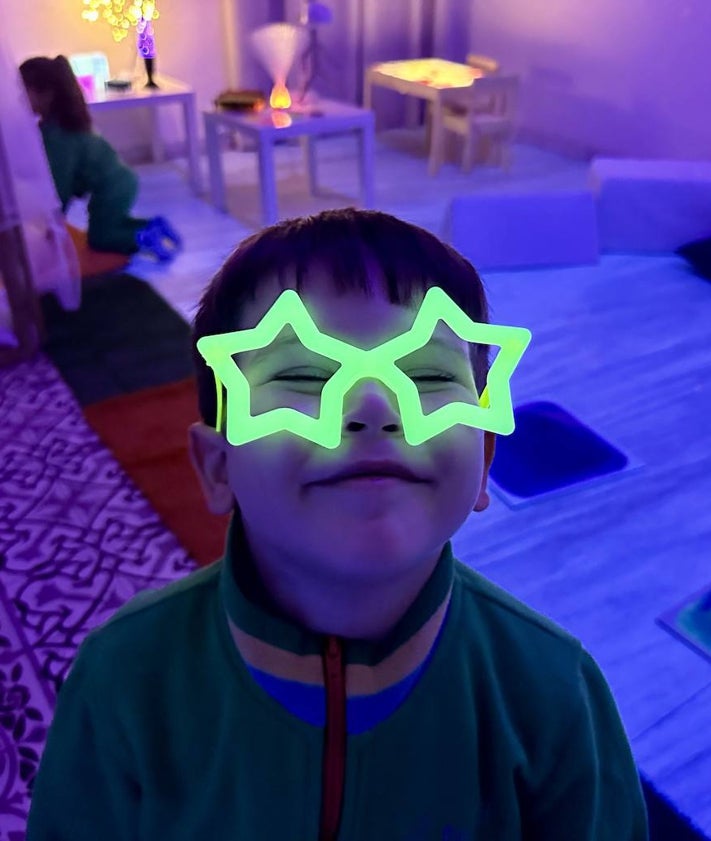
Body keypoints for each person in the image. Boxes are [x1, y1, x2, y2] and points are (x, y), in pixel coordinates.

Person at [25, 208, 649, 840]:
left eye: (427, 375)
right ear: (218, 468)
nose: (373, 407)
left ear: (484, 461)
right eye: (304, 376)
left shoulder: (551, 694)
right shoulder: (126, 681)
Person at [19, 55, 181, 261]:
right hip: (120, 181)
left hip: (111, 187)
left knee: (100, 238)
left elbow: (60, 184)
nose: (19, 101)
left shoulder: (60, 136)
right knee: (110, 224)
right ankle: (152, 225)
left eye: (23, 92)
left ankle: (142, 237)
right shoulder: (65, 125)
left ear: (46, 94)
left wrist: (53, 222)